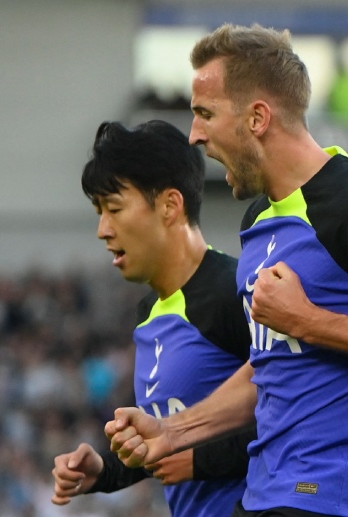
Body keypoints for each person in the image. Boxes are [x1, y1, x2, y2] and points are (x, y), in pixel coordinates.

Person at [106, 23, 348, 517]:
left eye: (205, 114)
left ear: (257, 117)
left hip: (339, 499)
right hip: (269, 491)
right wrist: (174, 431)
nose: (194, 134)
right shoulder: (258, 219)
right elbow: (271, 364)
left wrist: (309, 321)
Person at [51, 119, 255, 517]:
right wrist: (105, 472)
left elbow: (300, 411)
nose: (102, 230)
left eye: (114, 208)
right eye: (98, 211)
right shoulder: (148, 314)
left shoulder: (235, 292)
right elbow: (163, 437)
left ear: (169, 206)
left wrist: (199, 460)